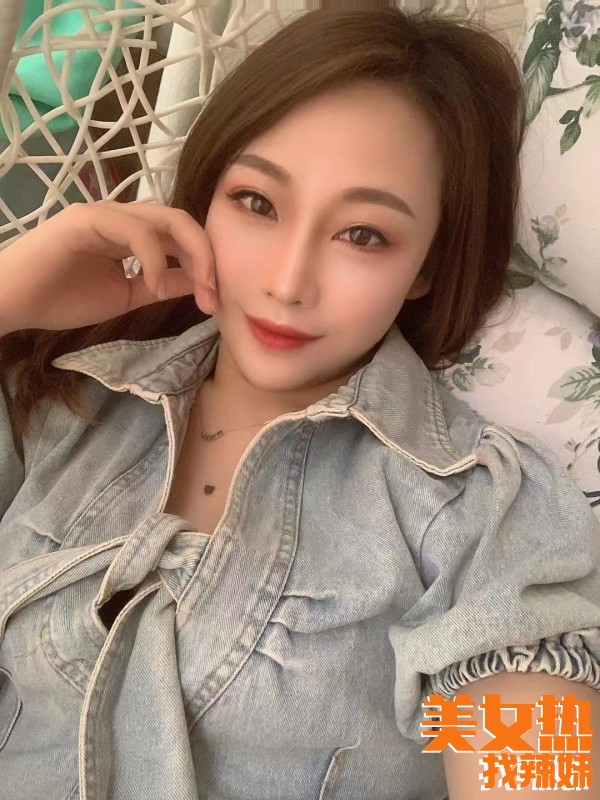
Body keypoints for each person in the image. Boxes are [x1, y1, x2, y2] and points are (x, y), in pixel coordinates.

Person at [0, 7, 598, 799]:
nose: (287, 282)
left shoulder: (484, 510)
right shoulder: (65, 398)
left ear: (424, 267)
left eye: (363, 235)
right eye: (257, 202)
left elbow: (533, 765)